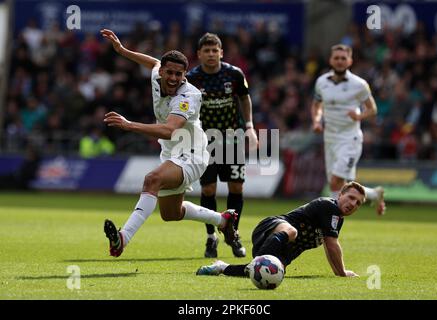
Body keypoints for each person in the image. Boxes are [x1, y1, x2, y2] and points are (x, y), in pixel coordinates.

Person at [100, 29, 238, 258]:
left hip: (193, 153)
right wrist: (123, 51)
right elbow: (153, 61)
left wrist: (129, 125)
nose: (174, 78)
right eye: (169, 72)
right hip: (171, 154)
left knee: (151, 180)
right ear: (162, 72)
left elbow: (168, 130)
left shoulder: (188, 96)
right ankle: (222, 220)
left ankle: (122, 239)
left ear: (185, 75)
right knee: (171, 213)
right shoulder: (157, 74)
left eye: (179, 74)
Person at [196, 181, 365, 278]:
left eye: (358, 203)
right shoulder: (329, 207)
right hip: (272, 226)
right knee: (292, 231)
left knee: (267, 273)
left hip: (280, 250)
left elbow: (329, 248)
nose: (353, 204)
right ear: (340, 195)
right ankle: (253, 263)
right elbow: (331, 244)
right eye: (351, 198)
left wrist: (338, 273)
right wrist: (342, 272)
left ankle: (221, 267)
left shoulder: (337, 221)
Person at [186, 33, 258, 258]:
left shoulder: (234, 74)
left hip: (232, 139)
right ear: (199, 54)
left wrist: (249, 126)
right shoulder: (191, 78)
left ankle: (232, 233)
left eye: (214, 50)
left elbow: (245, 98)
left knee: (236, 187)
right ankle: (211, 237)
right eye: (206, 51)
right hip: (204, 141)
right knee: (209, 190)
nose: (210, 54)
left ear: (221, 53)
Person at [310, 44, 386, 215]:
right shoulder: (321, 82)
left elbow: (372, 109)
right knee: (336, 184)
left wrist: (359, 116)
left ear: (350, 61)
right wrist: (316, 121)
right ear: (331, 60)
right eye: (336, 58)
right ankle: (374, 194)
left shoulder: (359, 84)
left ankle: (332, 221)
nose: (339, 61)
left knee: (337, 180)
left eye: (343, 58)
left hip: (350, 139)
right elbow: (316, 105)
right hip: (330, 138)